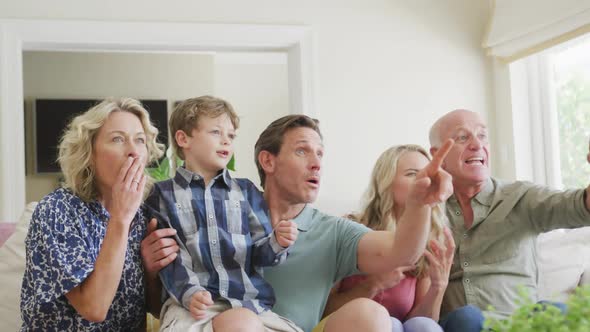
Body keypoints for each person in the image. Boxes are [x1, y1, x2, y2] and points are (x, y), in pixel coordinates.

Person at [142, 114, 455, 332]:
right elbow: (166, 304)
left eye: (320, 153)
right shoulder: (222, 211)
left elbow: (402, 253)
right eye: (303, 151)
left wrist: (419, 204)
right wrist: (153, 271)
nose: (317, 162)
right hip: (210, 325)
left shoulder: (333, 232)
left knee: (370, 314)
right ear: (269, 161)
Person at [145, 96, 302, 332]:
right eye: (216, 132)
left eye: (231, 136)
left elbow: (260, 253)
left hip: (250, 305)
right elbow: (169, 258)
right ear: (183, 138)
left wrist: (278, 242)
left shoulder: (246, 191)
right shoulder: (162, 194)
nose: (226, 141)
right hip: (190, 308)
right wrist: (190, 293)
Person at [428, 109, 590, 331]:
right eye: (462, 137)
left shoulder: (520, 198)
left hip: (520, 324)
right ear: (438, 155)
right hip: (464, 325)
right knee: (466, 317)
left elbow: (578, 206)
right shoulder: (427, 210)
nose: (477, 144)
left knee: (555, 312)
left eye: (482, 136)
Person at [20, 98, 165, 330]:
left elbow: (159, 309)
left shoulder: (145, 214)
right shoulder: (57, 211)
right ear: (89, 153)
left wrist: (150, 273)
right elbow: (94, 308)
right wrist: (120, 218)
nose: (133, 152)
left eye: (139, 140)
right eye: (118, 139)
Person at [323, 145, 454, 332]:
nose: (424, 181)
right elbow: (322, 310)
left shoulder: (430, 241)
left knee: (424, 326)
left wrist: (438, 287)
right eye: (412, 174)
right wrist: (374, 283)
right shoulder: (349, 229)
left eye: (428, 175)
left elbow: (423, 322)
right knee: (390, 324)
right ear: (386, 182)